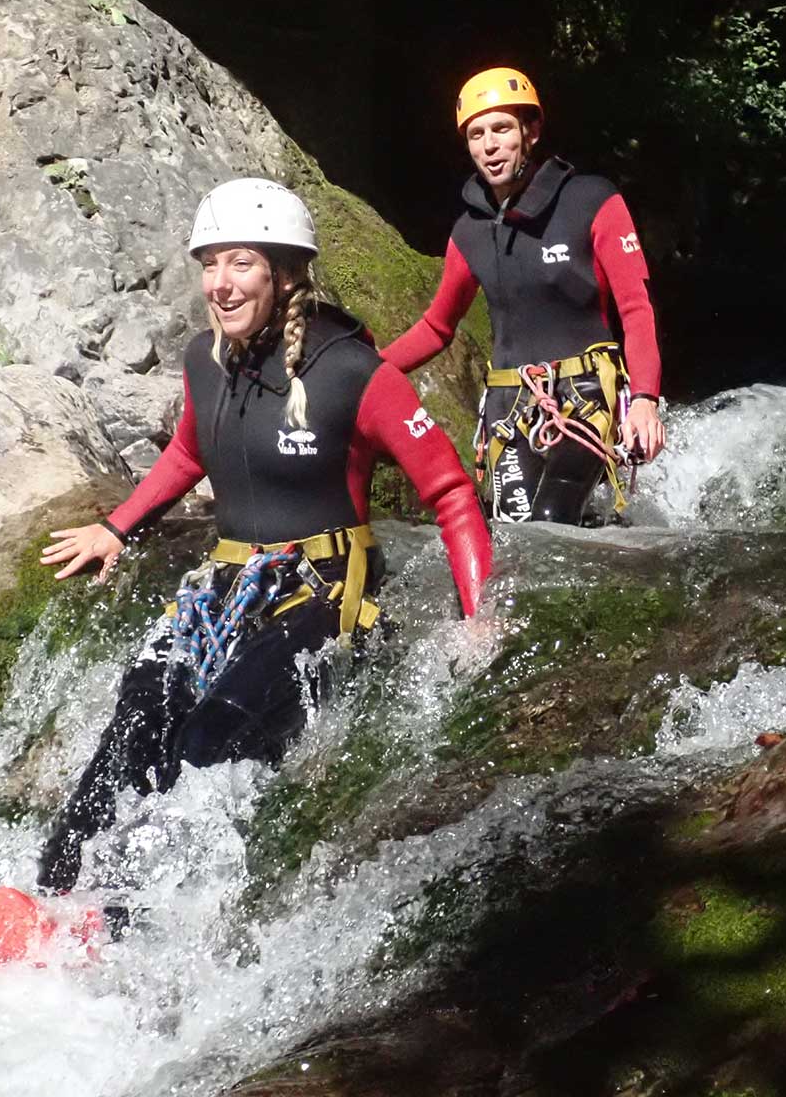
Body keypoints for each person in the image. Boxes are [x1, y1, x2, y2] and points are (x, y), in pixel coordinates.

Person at [35, 177, 492, 894]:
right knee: (137, 717)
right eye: (210, 264)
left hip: (326, 595)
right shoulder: (205, 362)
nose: (219, 283)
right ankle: (50, 895)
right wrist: (115, 527)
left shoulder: (353, 371)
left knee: (210, 739)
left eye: (240, 263)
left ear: (284, 274)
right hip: (227, 586)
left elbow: (452, 493)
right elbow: (190, 452)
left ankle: (129, 915)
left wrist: (478, 617)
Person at [381, 66, 666, 524]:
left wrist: (647, 402)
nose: (489, 145)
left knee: (551, 518)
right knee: (513, 530)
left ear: (530, 132)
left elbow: (636, 308)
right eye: (476, 135)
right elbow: (437, 327)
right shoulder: (469, 231)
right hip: (511, 407)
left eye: (501, 129)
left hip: (587, 395)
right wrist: (370, 368)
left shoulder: (592, 200)